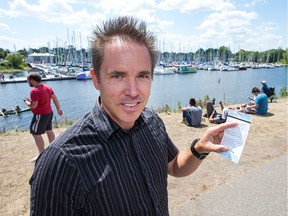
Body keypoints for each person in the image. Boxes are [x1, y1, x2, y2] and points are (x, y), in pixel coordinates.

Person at [29, 16, 237, 215]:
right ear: (96, 80)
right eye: (118, 76)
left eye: (142, 76)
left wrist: (200, 147)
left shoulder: (152, 123)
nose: (133, 91)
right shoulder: (60, 163)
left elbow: (173, 166)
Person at [23, 72, 63, 162]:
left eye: (28, 81)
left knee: (35, 133)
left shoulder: (34, 91)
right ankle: (53, 151)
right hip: (49, 112)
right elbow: (54, 98)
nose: (28, 82)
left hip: (40, 115)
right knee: (49, 130)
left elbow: (33, 105)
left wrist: (26, 102)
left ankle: (41, 155)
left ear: (32, 80)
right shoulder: (47, 87)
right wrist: (58, 109)